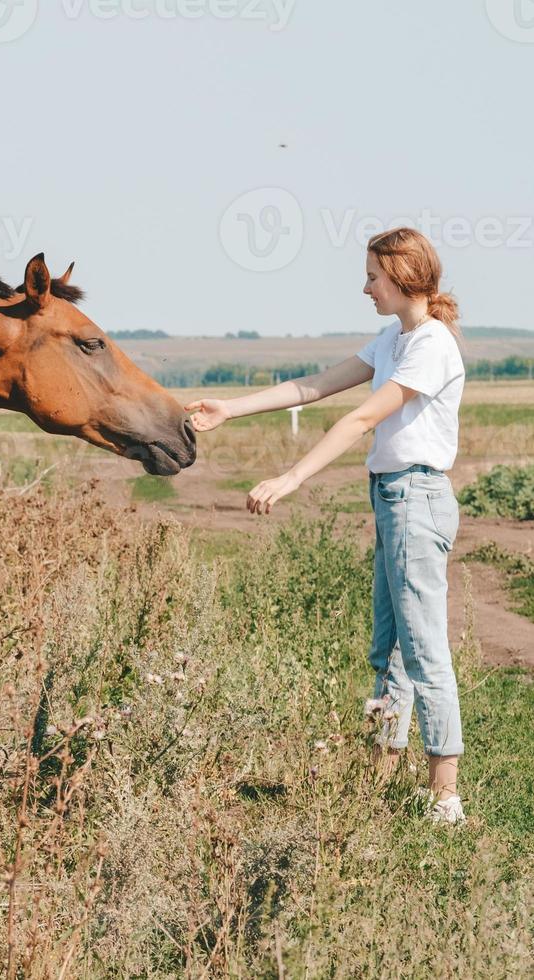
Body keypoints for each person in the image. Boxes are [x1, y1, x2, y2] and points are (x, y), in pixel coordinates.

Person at [186, 227, 467, 824]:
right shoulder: (395, 337)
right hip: (393, 498)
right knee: (389, 650)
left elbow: (363, 416)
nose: (364, 287)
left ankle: (445, 796)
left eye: (372, 276)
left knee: (423, 652)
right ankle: (381, 781)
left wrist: (292, 478)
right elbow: (314, 386)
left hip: (417, 497)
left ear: (403, 277)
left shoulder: (432, 344)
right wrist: (229, 409)